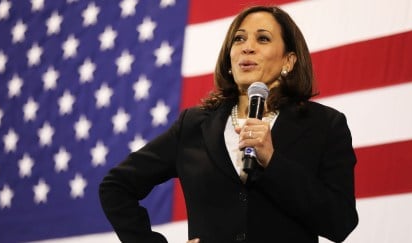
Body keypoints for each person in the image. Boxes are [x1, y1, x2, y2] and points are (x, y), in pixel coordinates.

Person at [99, 5, 358, 243]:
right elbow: (116, 186)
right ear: (230, 58)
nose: (247, 47)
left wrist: (273, 162)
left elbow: (340, 223)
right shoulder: (194, 125)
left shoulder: (324, 125)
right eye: (239, 38)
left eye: (263, 38)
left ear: (288, 61)